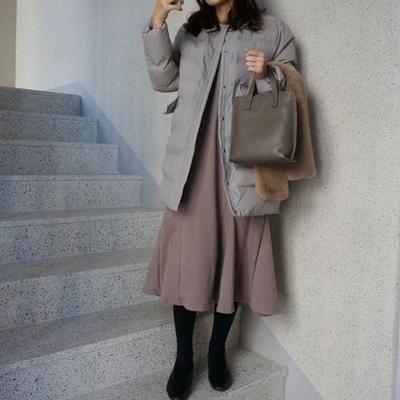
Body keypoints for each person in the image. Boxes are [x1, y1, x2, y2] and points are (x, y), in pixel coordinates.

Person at [142, 1, 301, 398]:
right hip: (191, 167)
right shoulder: (192, 31)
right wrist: (158, 21)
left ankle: (216, 353)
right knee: (186, 264)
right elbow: (164, 81)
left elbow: (293, 91)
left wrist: (267, 74)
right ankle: (183, 358)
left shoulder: (273, 30)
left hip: (242, 168)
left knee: (234, 260)